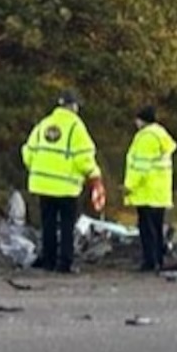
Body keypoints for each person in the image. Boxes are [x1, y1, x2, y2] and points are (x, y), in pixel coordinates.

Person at [21, 90, 104, 273]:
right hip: (66, 186)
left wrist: (38, 169)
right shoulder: (76, 127)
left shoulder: (44, 124)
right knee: (67, 226)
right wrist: (94, 174)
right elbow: (83, 157)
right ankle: (64, 263)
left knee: (48, 224)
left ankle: (48, 260)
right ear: (73, 106)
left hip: (43, 184)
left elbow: (27, 152)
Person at [123, 105, 177, 272]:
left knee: (147, 230)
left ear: (142, 120)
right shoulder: (161, 135)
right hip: (160, 192)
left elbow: (141, 166)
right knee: (157, 228)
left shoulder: (146, 137)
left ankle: (149, 262)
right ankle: (158, 260)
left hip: (146, 191)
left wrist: (129, 185)